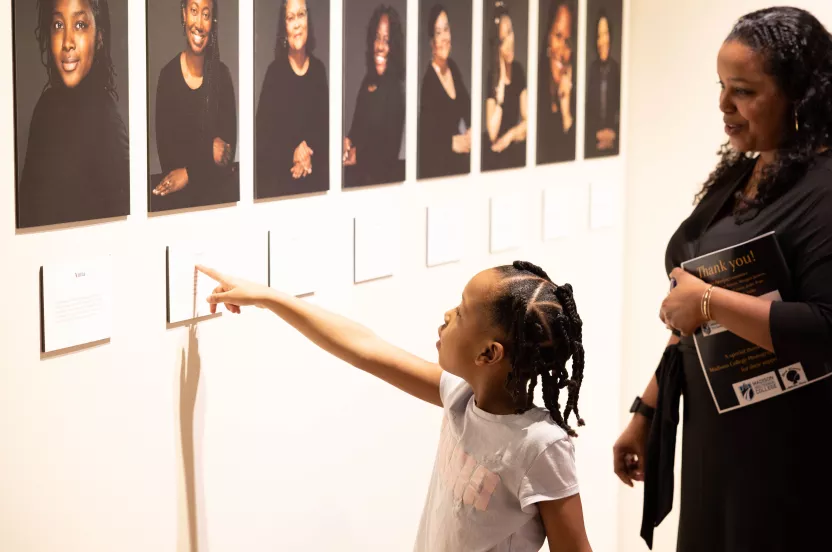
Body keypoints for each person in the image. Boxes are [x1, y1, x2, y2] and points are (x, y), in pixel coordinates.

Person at [613, 7, 832, 552]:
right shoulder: (745, 171)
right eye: (721, 86)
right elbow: (691, 312)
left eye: (743, 91)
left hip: (803, 457)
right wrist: (648, 409)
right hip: (723, 447)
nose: (723, 105)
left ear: (799, 97)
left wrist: (710, 303)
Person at [195, 261, 593, 552]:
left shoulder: (540, 446)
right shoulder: (459, 397)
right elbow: (363, 347)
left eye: (462, 311)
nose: (447, 314)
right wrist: (268, 297)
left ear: (489, 353)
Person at [17, 0, 129, 228]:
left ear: (99, 37)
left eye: (79, 25)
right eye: (58, 25)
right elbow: (26, 209)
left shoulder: (106, 118)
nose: (67, 42)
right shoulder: (45, 108)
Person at [152, 0, 237, 210]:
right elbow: (168, 158)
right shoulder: (167, 77)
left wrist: (188, 173)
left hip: (217, 204)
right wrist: (209, 149)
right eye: (194, 11)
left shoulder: (222, 76)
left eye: (206, 15)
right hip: (180, 206)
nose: (199, 23)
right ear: (183, 14)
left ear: (212, 23)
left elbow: (226, 155)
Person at [254, 0, 329, 200]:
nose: (296, 24)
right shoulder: (274, 73)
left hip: (315, 186)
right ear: (284, 27)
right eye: (290, 17)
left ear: (308, 20)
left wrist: (306, 157)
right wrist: (292, 154)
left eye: (301, 15)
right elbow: (262, 140)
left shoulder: (319, 71)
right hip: (280, 188)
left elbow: (325, 132)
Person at [343, 4, 406, 187]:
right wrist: (348, 141)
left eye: (386, 41)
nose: (380, 47)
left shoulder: (395, 90)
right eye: (377, 38)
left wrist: (358, 156)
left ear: (394, 47)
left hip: (377, 189)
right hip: (355, 183)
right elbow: (356, 131)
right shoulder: (367, 82)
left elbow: (388, 154)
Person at [417, 4, 471, 179]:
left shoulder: (453, 68)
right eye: (438, 32)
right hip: (439, 174)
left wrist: (471, 130)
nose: (444, 38)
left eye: (446, 30)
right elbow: (426, 139)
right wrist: (451, 143)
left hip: (460, 169)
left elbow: (467, 108)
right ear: (431, 41)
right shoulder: (429, 82)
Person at [481, 2, 527, 172]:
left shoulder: (519, 71)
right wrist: (499, 98)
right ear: (496, 47)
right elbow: (492, 133)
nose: (509, 42)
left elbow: (528, 121)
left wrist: (509, 136)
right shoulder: (491, 78)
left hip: (512, 149)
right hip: (493, 157)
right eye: (502, 40)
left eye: (510, 33)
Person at [536, 0, 575, 165]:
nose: (562, 50)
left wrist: (566, 110)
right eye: (558, 36)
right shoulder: (535, 90)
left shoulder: (576, 98)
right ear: (547, 39)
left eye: (568, 41)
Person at [583, 8, 620, 159]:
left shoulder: (616, 69)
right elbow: (586, 111)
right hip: (594, 144)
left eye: (605, 34)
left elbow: (621, 109)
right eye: (599, 36)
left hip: (614, 143)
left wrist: (614, 135)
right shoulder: (591, 70)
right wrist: (595, 135)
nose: (602, 41)